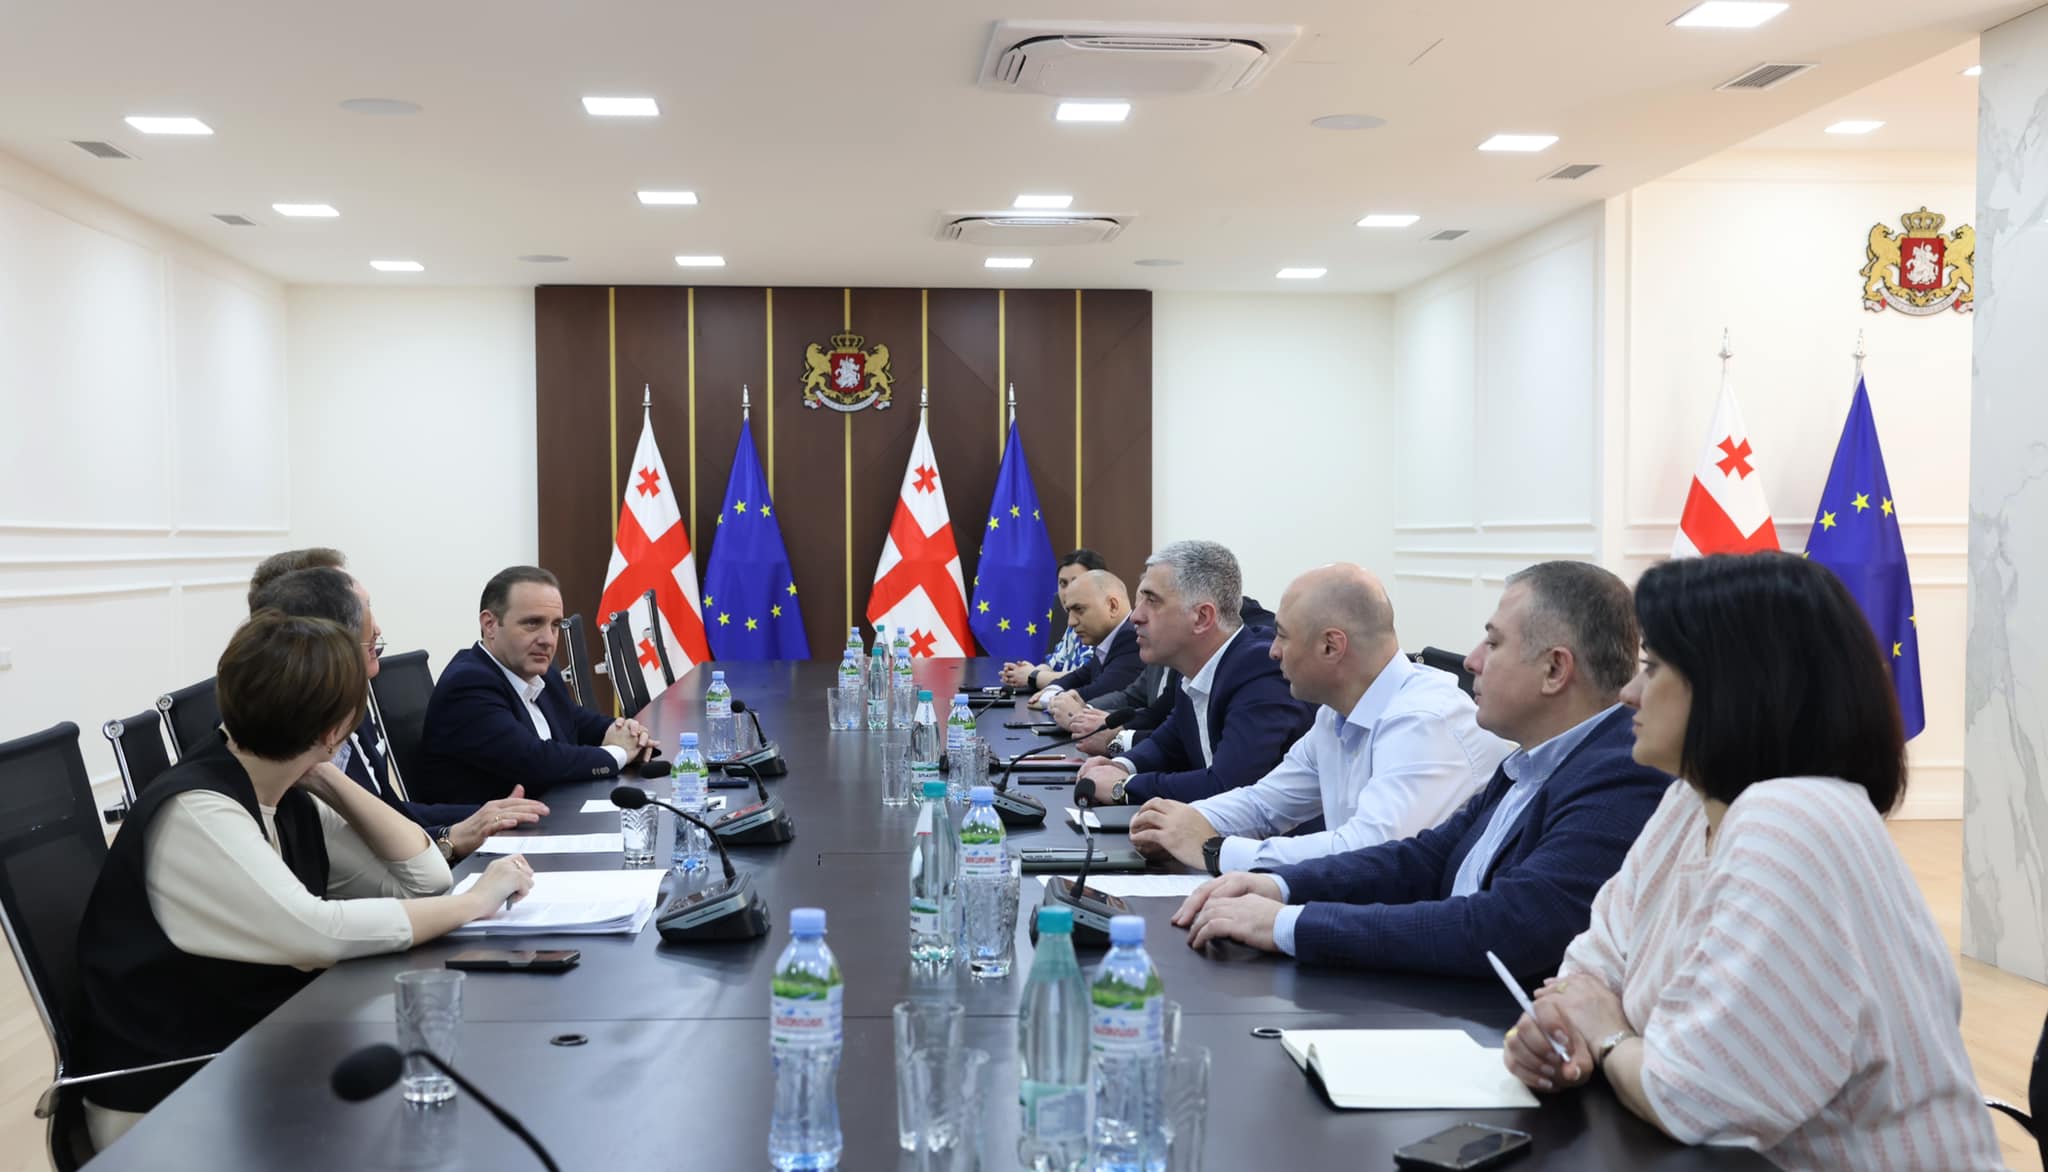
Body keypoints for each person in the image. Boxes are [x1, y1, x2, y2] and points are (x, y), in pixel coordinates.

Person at [1503, 553, 2002, 1169]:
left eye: (1651, 669)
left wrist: (1605, 1037)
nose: (1628, 693)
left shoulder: (1794, 820)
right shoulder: (1689, 802)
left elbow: (1692, 1096)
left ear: (1732, 684)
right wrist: (1559, 1032)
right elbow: (1586, 973)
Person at [73, 612, 536, 1147]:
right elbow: (317, 933)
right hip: (171, 1102)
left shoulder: (284, 788)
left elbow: (423, 880)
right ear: (336, 729)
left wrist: (325, 775)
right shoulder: (199, 810)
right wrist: (474, 902)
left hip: (253, 1058)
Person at [1172, 561, 1669, 980]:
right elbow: (1423, 858)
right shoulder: (1533, 760)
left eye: (1493, 643)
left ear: (1555, 670)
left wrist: (1288, 924)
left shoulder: (1621, 773)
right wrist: (1279, 886)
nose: (1471, 661)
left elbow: (1505, 927)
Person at [1130, 564, 1509, 873]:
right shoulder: (1336, 714)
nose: (1273, 651)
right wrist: (1179, 822)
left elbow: (1368, 851)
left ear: (1331, 646)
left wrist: (1215, 850)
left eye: (1282, 636)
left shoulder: (1424, 721)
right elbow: (1266, 803)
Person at [249, 565, 548, 861]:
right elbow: (357, 854)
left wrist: (483, 815)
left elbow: (389, 811)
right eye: (363, 610)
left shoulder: (352, 712)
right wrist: (448, 839)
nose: (376, 628)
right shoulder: (296, 748)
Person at [1072, 541, 1314, 806]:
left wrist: (1124, 787)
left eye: (1152, 600)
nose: (1135, 616)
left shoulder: (1260, 670)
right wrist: (1122, 765)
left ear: (1201, 617)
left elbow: (1227, 786)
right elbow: (1169, 742)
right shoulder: (1195, 669)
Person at [416, 566, 653, 804]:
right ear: (490, 625)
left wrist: (626, 732)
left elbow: (576, 721)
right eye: (532, 623)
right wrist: (619, 753)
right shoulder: (467, 684)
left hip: (549, 812)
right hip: (499, 826)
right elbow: (535, 761)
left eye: (555, 625)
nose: (548, 640)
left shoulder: (540, 673)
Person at [1001, 548, 1108, 689]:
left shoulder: (1102, 627)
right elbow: (1053, 664)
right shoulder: (1073, 625)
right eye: (1063, 583)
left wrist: (1032, 676)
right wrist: (1025, 671)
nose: (1068, 591)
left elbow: (1083, 678)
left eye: (1076, 582)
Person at [1035, 569, 1142, 710]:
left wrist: (1050, 698)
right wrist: (1053, 689)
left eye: (1079, 609)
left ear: (1112, 606)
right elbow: (1080, 676)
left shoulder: (1132, 637)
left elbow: (1100, 691)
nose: (1071, 622)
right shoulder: (1107, 639)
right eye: (1069, 611)